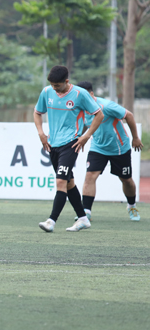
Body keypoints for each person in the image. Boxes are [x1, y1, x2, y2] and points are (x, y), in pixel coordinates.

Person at [34, 65, 103, 232]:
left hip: (71, 143)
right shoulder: (47, 92)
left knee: (60, 182)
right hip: (52, 144)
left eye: (57, 85)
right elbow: (37, 112)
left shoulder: (80, 94)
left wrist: (86, 136)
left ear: (66, 81)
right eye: (52, 85)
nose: (54, 88)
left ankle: (51, 221)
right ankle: (83, 219)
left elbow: (99, 114)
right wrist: (41, 133)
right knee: (69, 182)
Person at [76, 81, 143, 221]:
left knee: (126, 180)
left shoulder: (106, 106)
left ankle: (131, 206)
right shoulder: (81, 109)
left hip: (119, 148)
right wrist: (79, 136)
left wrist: (136, 138)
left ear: (92, 94)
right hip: (98, 148)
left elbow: (129, 115)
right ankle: (86, 212)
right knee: (90, 176)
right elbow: (86, 124)